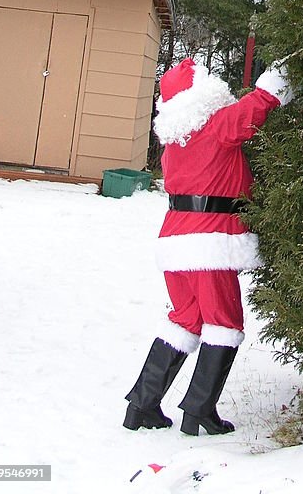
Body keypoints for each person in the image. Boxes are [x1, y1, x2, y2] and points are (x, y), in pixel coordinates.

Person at [123, 56, 293, 436]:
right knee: (224, 322)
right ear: (203, 95)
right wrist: (277, 80)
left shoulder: (173, 144)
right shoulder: (216, 126)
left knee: (186, 320)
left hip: (174, 242)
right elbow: (255, 106)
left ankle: (142, 405)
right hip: (210, 242)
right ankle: (200, 410)